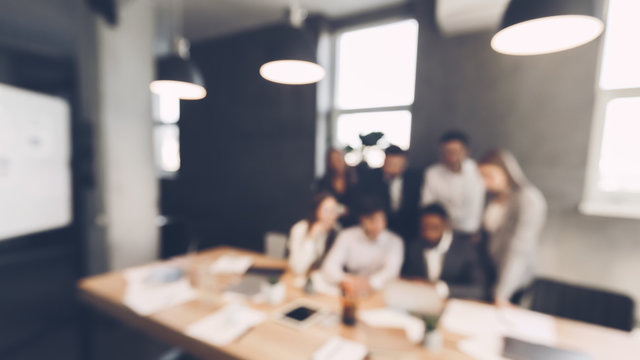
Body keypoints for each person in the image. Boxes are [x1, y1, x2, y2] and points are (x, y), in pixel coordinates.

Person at [478, 149, 547, 306]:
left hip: (512, 279)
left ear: (507, 171)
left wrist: (502, 292)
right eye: (481, 176)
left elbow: (519, 249)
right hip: (491, 271)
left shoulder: (528, 198)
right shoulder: (492, 197)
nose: (484, 181)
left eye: (488, 175)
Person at [403, 203, 487, 300]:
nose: (428, 233)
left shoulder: (466, 249)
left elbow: (479, 289)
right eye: (424, 227)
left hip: (456, 304)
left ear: (446, 225)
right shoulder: (415, 247)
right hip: (421, 301)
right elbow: (409, 277)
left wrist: (441, 289)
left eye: (434, 227)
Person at [321, 196, 404, 294]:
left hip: (379, 292)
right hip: (349, 289)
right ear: (362, 219)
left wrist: (370, 283)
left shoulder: (394, 242)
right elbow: (329, 266)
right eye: (373, 220)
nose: (379, 225)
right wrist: (346, 280)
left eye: (382, 220)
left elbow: (391, 272)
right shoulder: (347, 235)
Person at [421, 131, 485, 234]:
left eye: (456, 151)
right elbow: (428, 205)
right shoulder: (432, 173)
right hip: (442, 232)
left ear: (466, 152)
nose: (452, 155)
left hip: (472, 231)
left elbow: (478, 207)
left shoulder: (477, 171)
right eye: (447, 151)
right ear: (440, 153)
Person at [360, 145, 422, 240]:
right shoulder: (370, 178)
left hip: (408, 228)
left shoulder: (414, 178)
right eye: (391, 163)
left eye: (398, 164)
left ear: (404, 164)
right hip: (379, 228)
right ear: (384, 162)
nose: (394, 167)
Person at [288, 193, 341, 276]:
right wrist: (311, 237)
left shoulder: (336, 231)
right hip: (300, 277)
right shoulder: (300, 229)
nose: (332, 215)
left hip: (321, 281)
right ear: (316, 210)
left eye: (335, 210)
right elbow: (297, 268)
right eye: (327, 211)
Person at [315, 148, 359, 226]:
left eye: (339, 158)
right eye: (333, 160)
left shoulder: (355, 181)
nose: (337, 163)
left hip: (352, 223)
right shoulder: (323, 183)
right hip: (330, 224)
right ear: (329, 163)